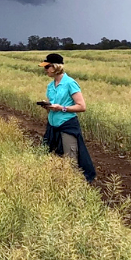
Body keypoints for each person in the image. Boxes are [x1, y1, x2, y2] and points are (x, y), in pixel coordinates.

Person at [38, 53, 96, 182]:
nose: (45, 70)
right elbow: (53, 103)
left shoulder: (70, 83)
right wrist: (48, 106)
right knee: (48, 153)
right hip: (52, 125)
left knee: (71, 157)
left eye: (47, 67)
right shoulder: (50, 86)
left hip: (67, 125)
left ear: (55, 67)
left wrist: (62, 108)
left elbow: (82, 106)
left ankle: (73, 183)